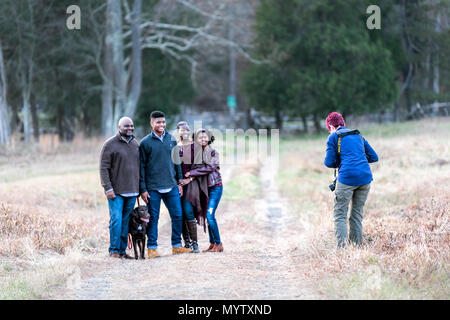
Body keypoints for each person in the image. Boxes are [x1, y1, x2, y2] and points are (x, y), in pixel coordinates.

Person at [139, 111, 191, 258]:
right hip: (153, 188)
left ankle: (176, 246)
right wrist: (143, 189)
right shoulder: (145, 143)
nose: (161, 125)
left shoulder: (171, 139)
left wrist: (180, 183)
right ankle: (152, 248)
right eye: (158, 122)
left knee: (177, 215)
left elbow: (177, 163)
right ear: (151, 123)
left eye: (163, 122)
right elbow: (141, 167)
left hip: (172, 185)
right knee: (153, 218)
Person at [324, 112, 379, 248]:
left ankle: (342, 250)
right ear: (343, 123)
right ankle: (356, 247)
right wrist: (357, 159)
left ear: (330, 126)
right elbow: (374, 157)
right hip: (365, 179)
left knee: (340, 215)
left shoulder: (333, 137)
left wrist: (343, 162)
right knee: (356, 214)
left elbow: (329, 162)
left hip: (347, 179)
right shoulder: (358, 135)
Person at [99, 117, 139, 259]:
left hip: (133, 190)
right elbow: (103, 168)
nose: (130, 128)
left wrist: (140, 188)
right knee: (116, 220)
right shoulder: (109, 144)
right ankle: (114, 250)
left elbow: (139, 168)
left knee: (126, 221)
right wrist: (107, 188)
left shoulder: (135, 144)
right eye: (126, 126)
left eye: (132, 126)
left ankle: (122, 251)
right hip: (115, 192)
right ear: (119, 127)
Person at [185, 128, 224, 253]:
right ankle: (212, 244)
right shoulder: (196, 154)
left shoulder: (213, 152)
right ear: (196, 139)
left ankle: (219, 243)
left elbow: (210, 168)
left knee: (210, 216)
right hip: (205, 190)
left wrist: (192, 173)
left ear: (209, 138)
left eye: (205, 137)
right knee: (208, 217)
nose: (203, 139)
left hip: (215, 187)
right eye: (200, 137)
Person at [176, 121, 202, 253]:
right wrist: (177, 182)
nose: (185, 132)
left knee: (187, 211)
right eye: (182, 130)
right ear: (178, 131)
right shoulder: (175, 147)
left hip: (192, 184)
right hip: (177, 185)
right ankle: (186, 243)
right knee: (178, 213)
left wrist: (190, 178)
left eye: (187, 129)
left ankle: (195, 243)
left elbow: (200, 167)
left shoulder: (195, 147)